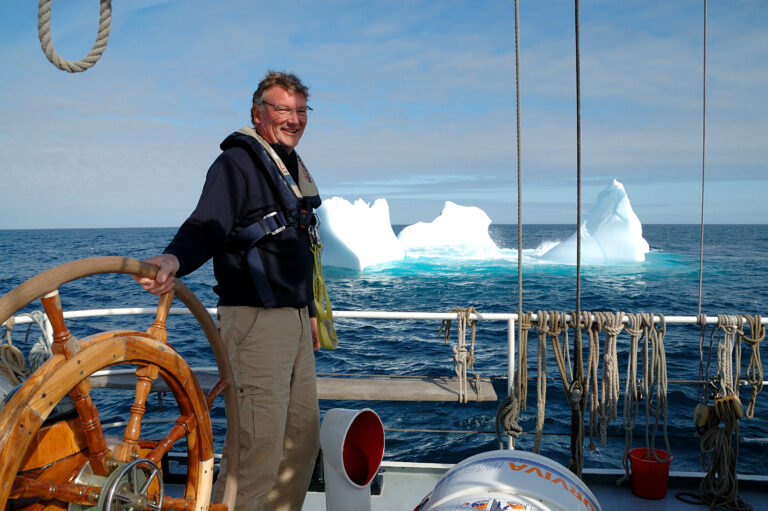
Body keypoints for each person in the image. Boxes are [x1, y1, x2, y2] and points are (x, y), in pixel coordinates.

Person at [134, 70, 321, 511]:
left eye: (300, 111)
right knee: (256, 449)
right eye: (282, 109)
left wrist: (308, 310)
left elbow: (299, 247)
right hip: (255, 321)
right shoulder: (236, 164)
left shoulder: (289, 166)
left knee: (300, 441)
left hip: (293, 319)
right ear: (258, 114)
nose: (293, 119)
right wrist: (174, 259)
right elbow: (207, 225)